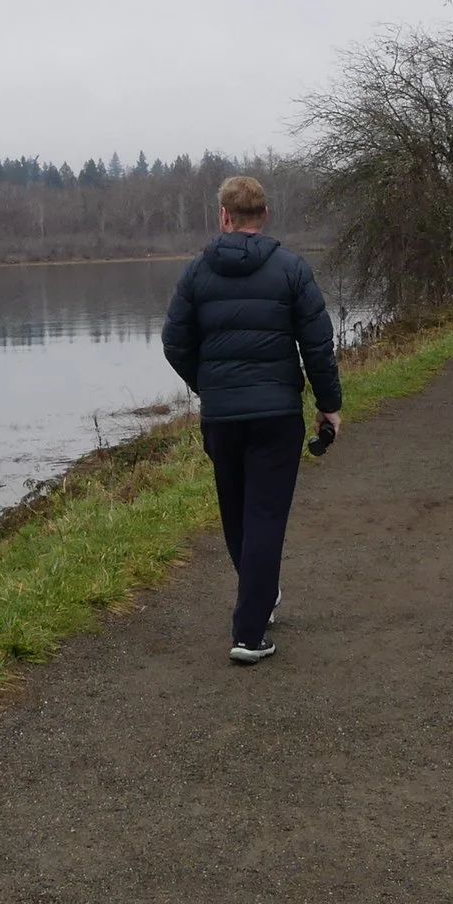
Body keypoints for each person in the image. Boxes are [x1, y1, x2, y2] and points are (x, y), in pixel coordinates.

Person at [161, 174, 342, 664]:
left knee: (238, 513)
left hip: (223, 417)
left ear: (223, 216)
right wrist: (329, 405)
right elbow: (318, 347)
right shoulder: (291, 269)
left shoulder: (196, 273)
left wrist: (209, 386)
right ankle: (248, 632)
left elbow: (174, 343)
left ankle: (258, 594)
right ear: (264, 215)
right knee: (264, 515)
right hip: (276, 414)